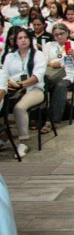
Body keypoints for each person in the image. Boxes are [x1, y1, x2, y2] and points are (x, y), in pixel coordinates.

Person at [0, 28, 46, 158]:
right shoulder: (9, 56)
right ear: (15, 41)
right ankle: (3, 135)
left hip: (34, 89)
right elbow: (4, 74)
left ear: (30, 39)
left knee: (19, 108)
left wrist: (21, 84)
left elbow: (37, 76)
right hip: (13, 89)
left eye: (25, 37)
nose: (23, 40)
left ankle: (23, 142)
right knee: (1, 103)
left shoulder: (38, 55)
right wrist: (10, 84)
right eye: (20, 38)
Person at [41, 23, 74, 134]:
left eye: (62, 33)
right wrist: (50, 64)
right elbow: (42, 61)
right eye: (56, 35)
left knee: (59, 86)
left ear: (67, 33)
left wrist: (73, 55)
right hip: (51, 73)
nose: (59, 36)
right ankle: (36, 116)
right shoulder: (49, 45)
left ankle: (52, 120)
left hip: (68, 74)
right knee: (39, 84)